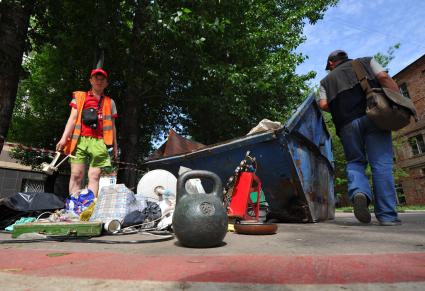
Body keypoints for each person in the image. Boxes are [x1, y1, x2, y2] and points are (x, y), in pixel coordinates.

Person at [319, 50, 401, 226]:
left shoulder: (325, 81)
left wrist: (341, 107)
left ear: (332, 63)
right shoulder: (366, 61)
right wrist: (398, 98)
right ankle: (387, 216)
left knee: (355, 161)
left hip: (347, 124)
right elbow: (384, 77)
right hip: (375, 116)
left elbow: (324, 105)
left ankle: (359, 192)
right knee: (381, 164)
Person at [56, 68, 118, 197]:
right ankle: (74, 206)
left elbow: (113, 126)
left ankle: (89, 207)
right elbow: (72, 119)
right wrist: (63, 138)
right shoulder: (79, 97)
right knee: (76, 175)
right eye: (96, 78)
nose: (99, 81)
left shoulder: (110, 102)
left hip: (100, 141)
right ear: (91, 81)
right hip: (79, 140)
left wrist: (115, 146)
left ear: (106, 83)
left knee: (94, 176)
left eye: (102, 80)